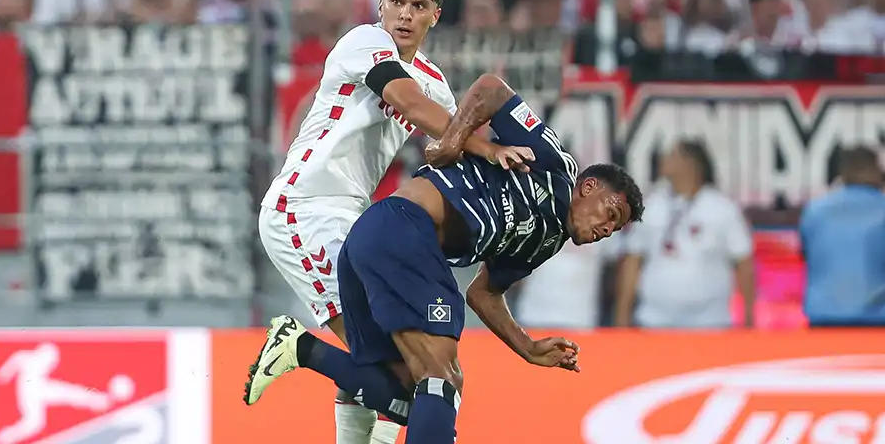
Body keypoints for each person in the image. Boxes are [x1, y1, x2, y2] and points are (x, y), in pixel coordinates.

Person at [246, 73, 644, 443]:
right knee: (444, 378)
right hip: (402, 228)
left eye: (616, 227)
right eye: (610, 214)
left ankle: (299, 348)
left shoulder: (545, 240)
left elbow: (485, 294)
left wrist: (527, 346)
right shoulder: (556, 165)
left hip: (380, 246)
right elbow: (491, 88)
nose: (606, 229)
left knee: (405, 388)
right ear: (588, 187)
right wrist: (454, 139)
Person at [257, 0, 532, 444]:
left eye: (418, 5)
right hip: (303, 209)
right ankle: (298, 347)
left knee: (403, 371)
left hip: (356, 224)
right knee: (404, 375)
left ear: (435, 15)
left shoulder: (435, 82)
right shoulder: (365, 43)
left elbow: (447, 148)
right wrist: (484, 144)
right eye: (397, 1)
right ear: (381, 5)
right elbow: (410, 104)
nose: (404, 14)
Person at [614, 140, 756, 328]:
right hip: (654, 321)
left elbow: (744, 263)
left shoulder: (722, 209)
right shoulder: (651, 206)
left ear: (692, 164)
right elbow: (632, 261)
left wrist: (748, 318)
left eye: (673, 155)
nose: (664, 159)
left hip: (709, 323)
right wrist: (622, 316)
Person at [801, 146, 885, 328]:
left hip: (822, 320)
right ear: (879, 173)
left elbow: (806, 254)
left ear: (842, 174)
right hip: (883, 322)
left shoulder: (813, 211)